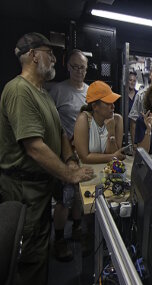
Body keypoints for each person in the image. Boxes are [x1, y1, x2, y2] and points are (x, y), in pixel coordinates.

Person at [0, 32, 94, 285]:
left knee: (41, 250)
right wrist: (69, 174)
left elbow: (60, 133)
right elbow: (34, 147)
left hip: (40, 187)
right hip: (24, 190)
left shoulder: (41, 92)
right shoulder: (19, 91)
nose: (53, 58)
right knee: (29, 257)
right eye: (48, 53)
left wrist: (71, 159)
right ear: (32, 55)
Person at [49, 49, 89, 261]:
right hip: (65, 155)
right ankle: (58, 240)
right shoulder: (57, 91)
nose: (79, 71)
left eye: (82, 67)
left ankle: (76, 230)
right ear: (67, 66)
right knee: (65, 199)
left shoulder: (90, 92)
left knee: (79, 198)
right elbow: (50, 125)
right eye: (75, 67)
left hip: (84, 154)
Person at [74, 80, 126, 163]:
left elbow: (115, 154)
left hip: (110, 171)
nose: (113, 106)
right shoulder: (83, 120)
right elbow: (85, 158)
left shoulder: (118, 119)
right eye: (108, 103)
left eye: (113, 102)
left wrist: (111, 133)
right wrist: (113, 156)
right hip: (90, 170)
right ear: (95, 106)